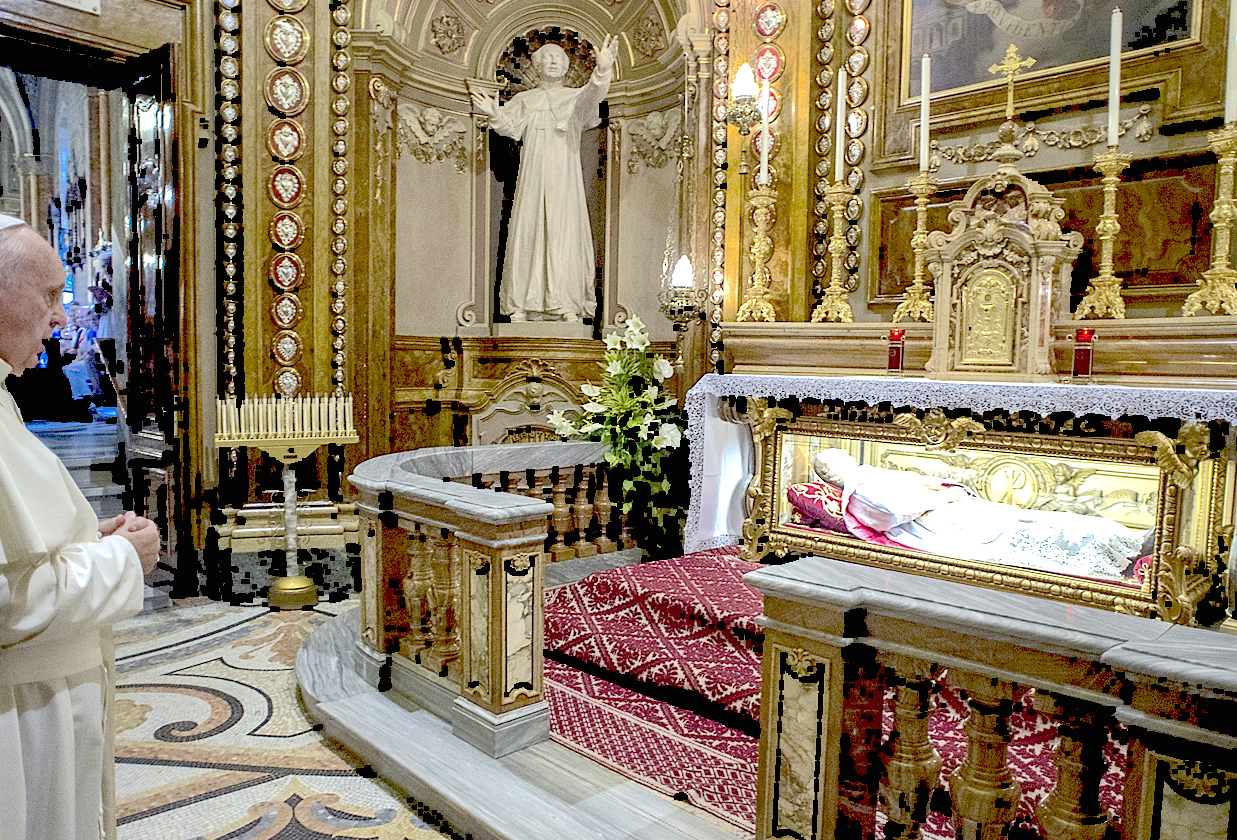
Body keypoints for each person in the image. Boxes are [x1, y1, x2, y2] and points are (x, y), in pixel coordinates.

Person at [0, 213, 160, 840]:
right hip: (21, 717)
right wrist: (124, 560)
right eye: (48, 295)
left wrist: (85, 540)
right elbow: (14, 600)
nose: (60, 316)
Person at [811, 448, 1145, 578]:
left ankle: (1123, 542)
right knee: (1031, 531)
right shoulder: (861, 488)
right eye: (834, 458)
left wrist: (943, 491)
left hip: (952, 515)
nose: (843, 456)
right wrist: (943, 497)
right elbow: (899, 509)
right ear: (830, 474)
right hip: (946, 525)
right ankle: (1119, 550)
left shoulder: (865, 479)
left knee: (1037, 524)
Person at [471, 35, 616, 322]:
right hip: (533, 176)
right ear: (536, 66)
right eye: (547, 57)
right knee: (529, 232)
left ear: (566, 67)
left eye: (559, 58)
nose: (553, 61)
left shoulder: (574, 98)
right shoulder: (525, 99)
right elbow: (509, 126)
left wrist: (602, 70)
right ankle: (522, 305)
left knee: (564, 234)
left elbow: (593, 95)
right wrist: (494, 114)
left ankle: (566, 303)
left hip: (565, 178)